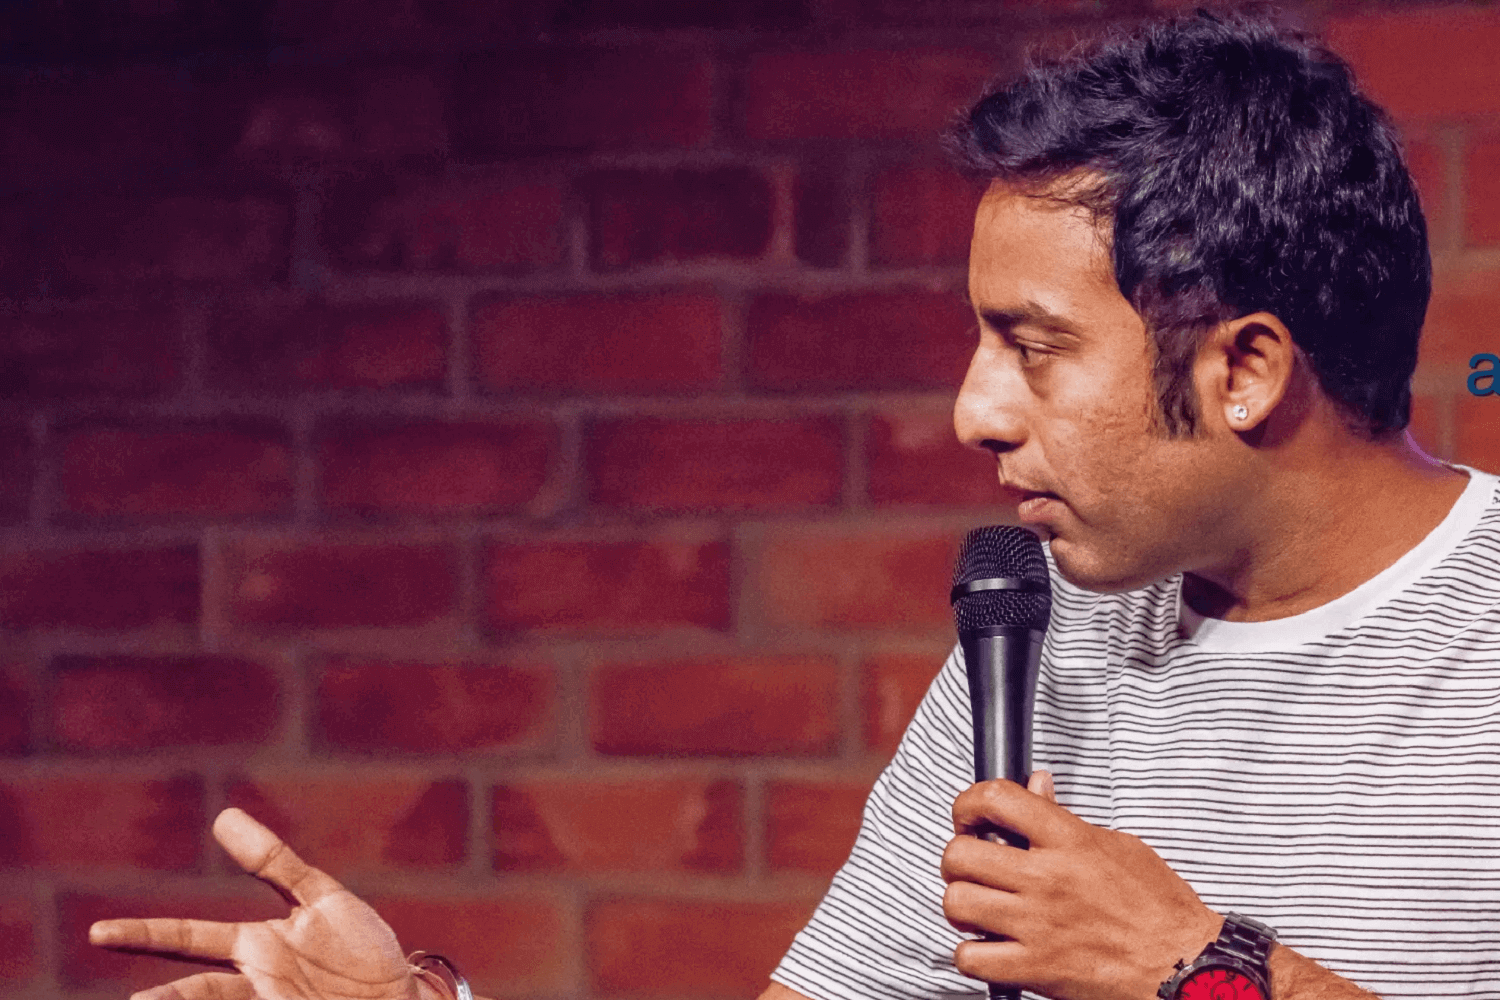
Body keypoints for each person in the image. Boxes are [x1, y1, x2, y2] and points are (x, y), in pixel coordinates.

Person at [90, 11, 1500, 1000]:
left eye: (1036, 345)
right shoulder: (1045, 628)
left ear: (1246, 368)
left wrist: (1189, 969)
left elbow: (1171, 964)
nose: (975, 411)